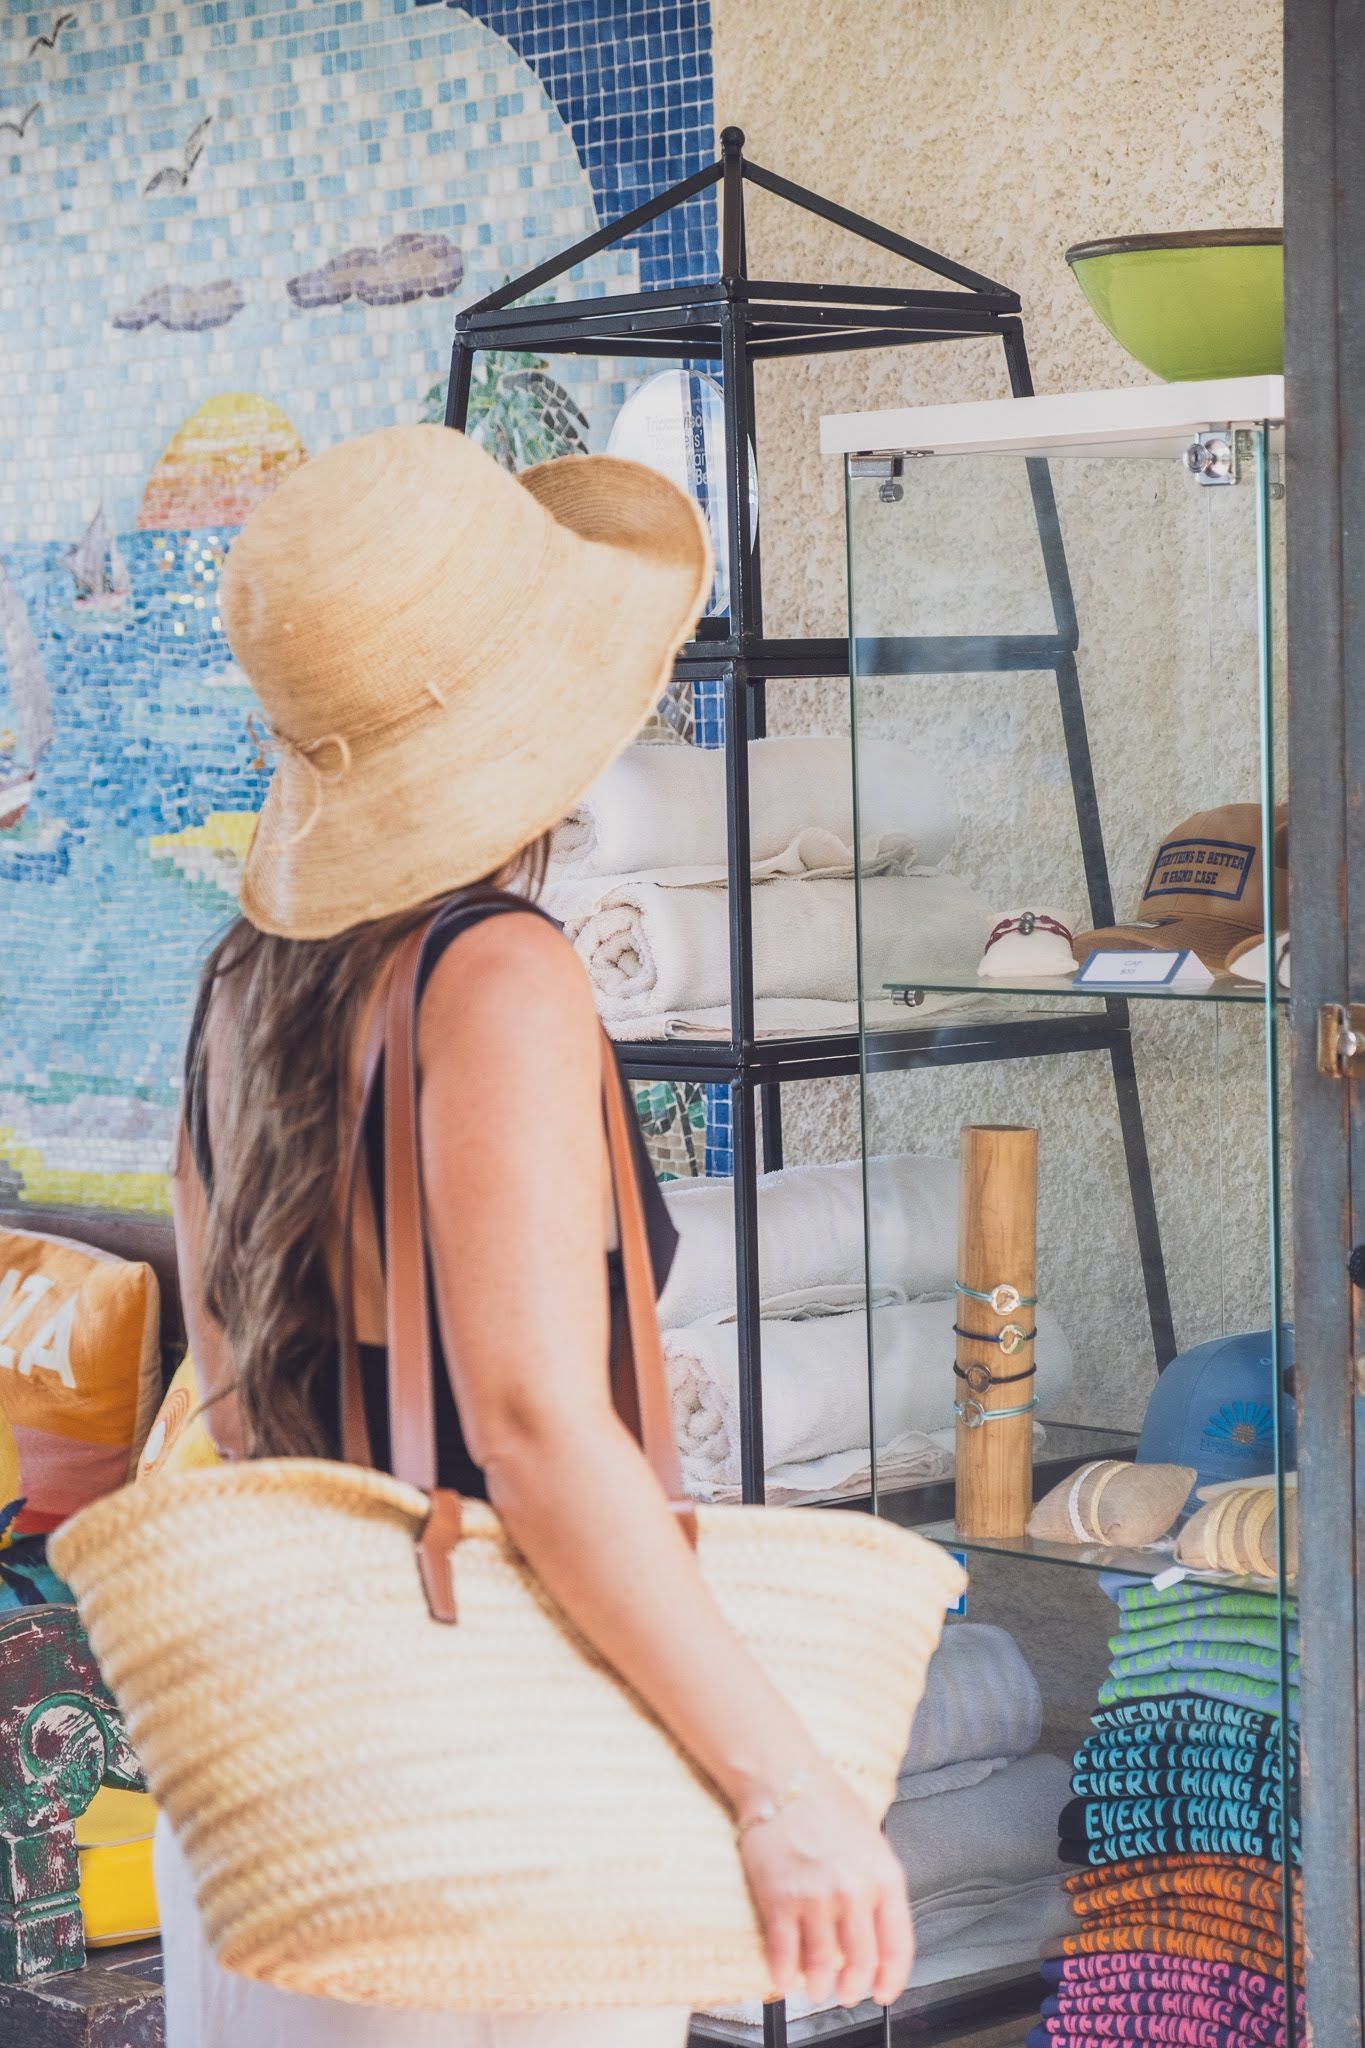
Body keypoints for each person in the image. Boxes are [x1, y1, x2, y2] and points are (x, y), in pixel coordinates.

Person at [157, 424, 914, 2048]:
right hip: (480, 1788)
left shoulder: (240, 980)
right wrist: (785, 1791)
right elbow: (538, 1431)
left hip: (272, 1783)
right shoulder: (496, 972)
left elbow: (235, 1413)